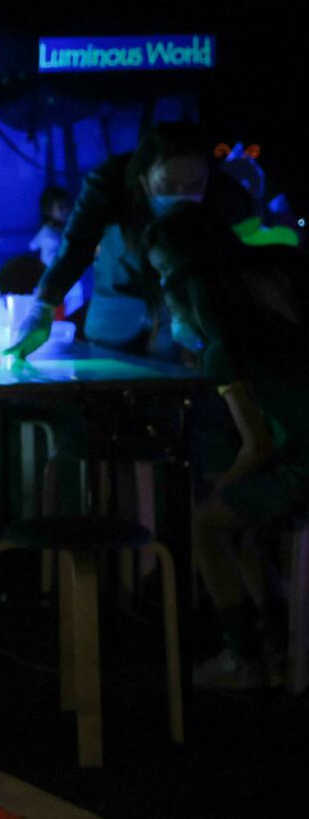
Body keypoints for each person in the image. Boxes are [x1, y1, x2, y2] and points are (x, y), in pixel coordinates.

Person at [144, 203, 309, 689]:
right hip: (297, 458)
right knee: (241, 523)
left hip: (300, 469)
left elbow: (256, 443)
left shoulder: (223, 348)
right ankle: (275, 647)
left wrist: (224, 489)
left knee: (207, 524)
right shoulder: (270, 302)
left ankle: (246, 657)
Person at [7, 121, 254, 359]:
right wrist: (43, 308)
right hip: (116, 318)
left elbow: (239, 259)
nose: (180, 196)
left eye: (193, 186)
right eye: (167, 185)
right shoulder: (109, 182)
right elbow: (76, 248)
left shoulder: (223, 197)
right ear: (144, 179)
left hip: (191, 323)